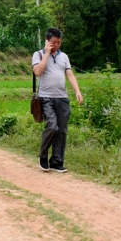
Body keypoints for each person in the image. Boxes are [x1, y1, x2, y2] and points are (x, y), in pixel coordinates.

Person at [32, 28, 83, 173]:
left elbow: (70, 75)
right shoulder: (38, 54)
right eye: (54, 42)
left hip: (62, 98)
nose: (57, 45)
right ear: (47, 41)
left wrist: (77, 91)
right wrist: (47, 54)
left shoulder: (64, 57)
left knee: (62, 130)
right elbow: (38, 72)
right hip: (46, 98)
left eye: (59, 42)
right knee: (52, 126)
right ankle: (42, 155)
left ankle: (56, 161)